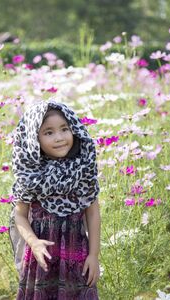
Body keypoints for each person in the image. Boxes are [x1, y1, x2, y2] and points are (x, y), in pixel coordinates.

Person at [9, 100, 101, 299]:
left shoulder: (82, 169)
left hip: (77, 254)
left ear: (74, 130)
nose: (59, 138)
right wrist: (33, 243)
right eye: (48, 132)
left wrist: (94, 255)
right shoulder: (30, 175)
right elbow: (20, 215)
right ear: (34, 138)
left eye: (64, 129)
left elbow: (93, 212)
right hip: (42, 256)